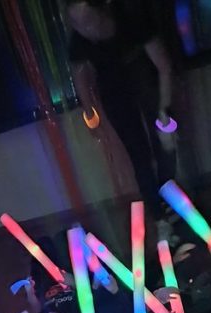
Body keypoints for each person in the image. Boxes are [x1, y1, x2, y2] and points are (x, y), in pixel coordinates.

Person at [65, 0, 177, 222]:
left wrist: (164, 110)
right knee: (138, 155)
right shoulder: (79, 39)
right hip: (112, 89)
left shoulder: (131, 17)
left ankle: (170, 201)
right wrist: (91, 116)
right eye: (77, 24)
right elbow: (80, 80)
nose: (84, 29)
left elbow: (164, 66)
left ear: (102, 10)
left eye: (88, 20)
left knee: (164, 143)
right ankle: (158, 215)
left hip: (143, 75)